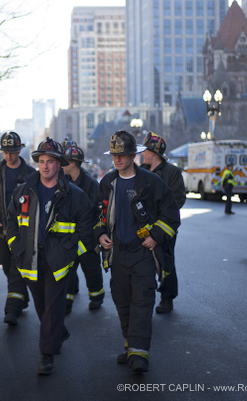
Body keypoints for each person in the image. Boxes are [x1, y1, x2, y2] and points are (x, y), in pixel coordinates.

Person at [7, 137, 93, 375]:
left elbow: (87, 231)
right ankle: (58, 332)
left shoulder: (75, 196)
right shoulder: (23, 191)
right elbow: (11, 222)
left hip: (58, 262)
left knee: (54, 308)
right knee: (42, 305)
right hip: (30, 259)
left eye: (50, 161)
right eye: (41, 161)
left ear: (59, 164)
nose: (45, 166)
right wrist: (16, 245)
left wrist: (71, 254)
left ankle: (47, 355)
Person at [95, 131, 180, 373]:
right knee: (123, 302)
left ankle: (139, 354)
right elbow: (98, 216)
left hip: (142, 253)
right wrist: (100, 234)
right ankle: (131, 346)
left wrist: (155, 236)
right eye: (114, 155)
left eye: (122, 155)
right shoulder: (106, 183)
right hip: (118, 253)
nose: (117, 160)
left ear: (134, 155)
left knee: (142, 301)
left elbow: (171, 214)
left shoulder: (151, 183)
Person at [0, 131, 36, 326]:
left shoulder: (31, 175)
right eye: (5, 152)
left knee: (15, 270)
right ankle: (21, 297)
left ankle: (12, 310)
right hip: (2, 233)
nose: (9, 156)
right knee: (7, 266)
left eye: (12, 152)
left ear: (19, 150)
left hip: (23, 234)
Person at [140, 132, 186, 314]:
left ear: (153, 153)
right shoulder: (140, 171)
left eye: (145, 150)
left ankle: (167, 298)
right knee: (143, 261)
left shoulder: (172, 173)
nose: (142, 154)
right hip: (144, 226)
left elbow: (179, 199)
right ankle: (144, 297)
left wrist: (161, 215)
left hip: (165, 226)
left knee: (166, 261)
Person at [61, 141, 105, 313]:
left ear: (72, 163)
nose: (61, 165)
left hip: (87, 235)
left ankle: (96, 297)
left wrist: (94, 234)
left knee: (91, 268)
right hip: (69, 235)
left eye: (64, 162)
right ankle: (66, 301)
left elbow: (97, 210)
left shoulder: (90, 183)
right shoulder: (62, 180)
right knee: (68, 270)